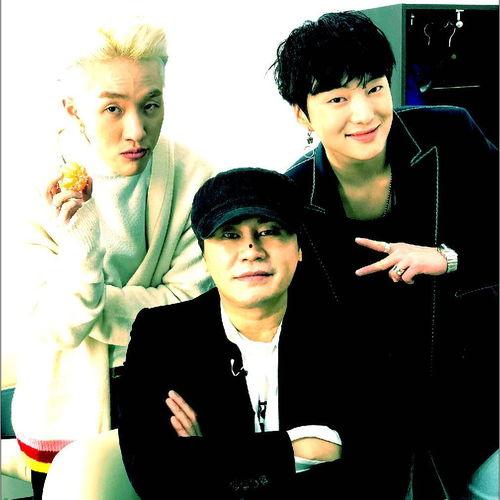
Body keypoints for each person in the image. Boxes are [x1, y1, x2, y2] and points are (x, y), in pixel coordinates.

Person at [271, 10, 498, 499]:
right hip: (372, 435)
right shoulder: (291, 200)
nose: (364, 114)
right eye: (337, 99)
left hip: (483, 405)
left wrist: (448, 258)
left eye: (374, 88)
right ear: (302, 114)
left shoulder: (451, 136)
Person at [11, 19, 214, 498]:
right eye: (112, 108)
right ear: (72, 109)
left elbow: (189, 306)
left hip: (169, 406)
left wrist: (88, 301)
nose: (136, 130)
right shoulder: (31, 186)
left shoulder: (195, 177)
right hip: (62, 414)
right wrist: (83, 251)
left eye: (151, 105)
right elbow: (59, 329)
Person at [118, 168, 352, 499]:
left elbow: (378, 469)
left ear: (299, 247)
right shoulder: (161, 336)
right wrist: (298, 450)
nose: (251, 250)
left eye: (269, 231)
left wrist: (208, 454)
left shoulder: (348, 331)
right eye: (229, 235)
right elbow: (155, 475)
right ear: (204, 254)